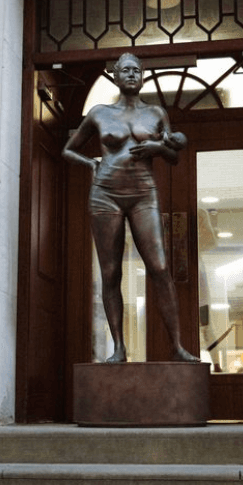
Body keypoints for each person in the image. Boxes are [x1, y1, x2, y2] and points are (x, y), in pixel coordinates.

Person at [62, 52, 198, 364]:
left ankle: (176, 347)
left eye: (137, 70)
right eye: (126, 70)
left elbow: (175, 155)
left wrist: (158, 148)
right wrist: (90, 165)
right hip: (105, 194)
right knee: (110, 272)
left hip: (143, 193)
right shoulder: (99, 113)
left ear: (143, 76)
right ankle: (119, 348)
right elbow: (68, 150)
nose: (132, 75)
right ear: (115, 77)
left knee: (160, 267)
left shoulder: (155, 112)